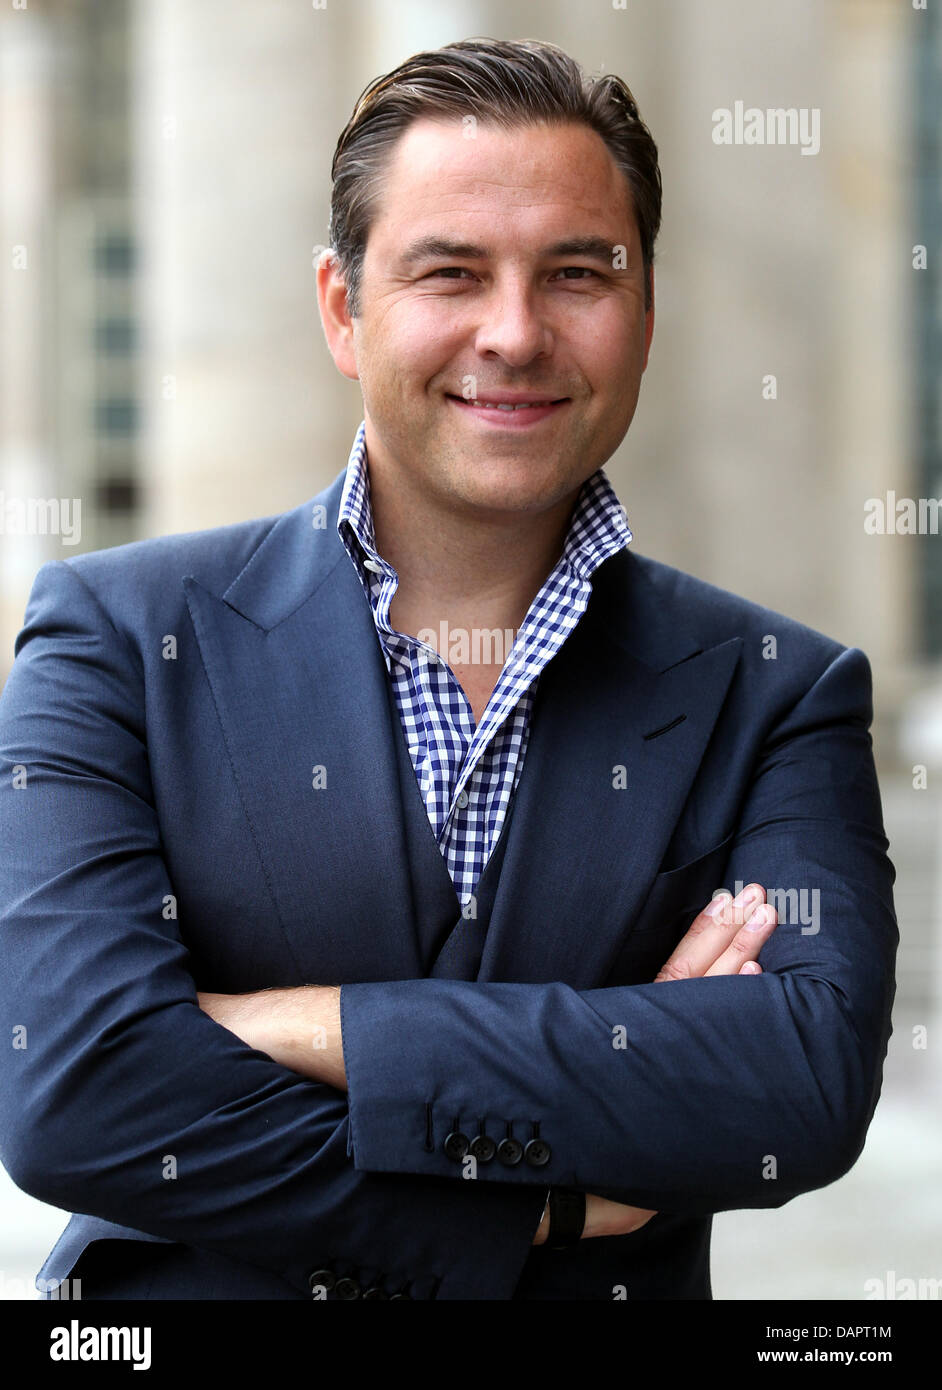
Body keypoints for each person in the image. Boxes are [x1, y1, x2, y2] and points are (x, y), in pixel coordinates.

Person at [0, 37, 897, 1302]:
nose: (516, 333)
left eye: (578, 273)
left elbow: (797, 1087)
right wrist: (548, 1202)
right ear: (341, 307)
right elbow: (77, 1097)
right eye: (450, 272)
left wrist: (308, 1027)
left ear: (645, 317)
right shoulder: (114, 639)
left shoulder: (779, 691)